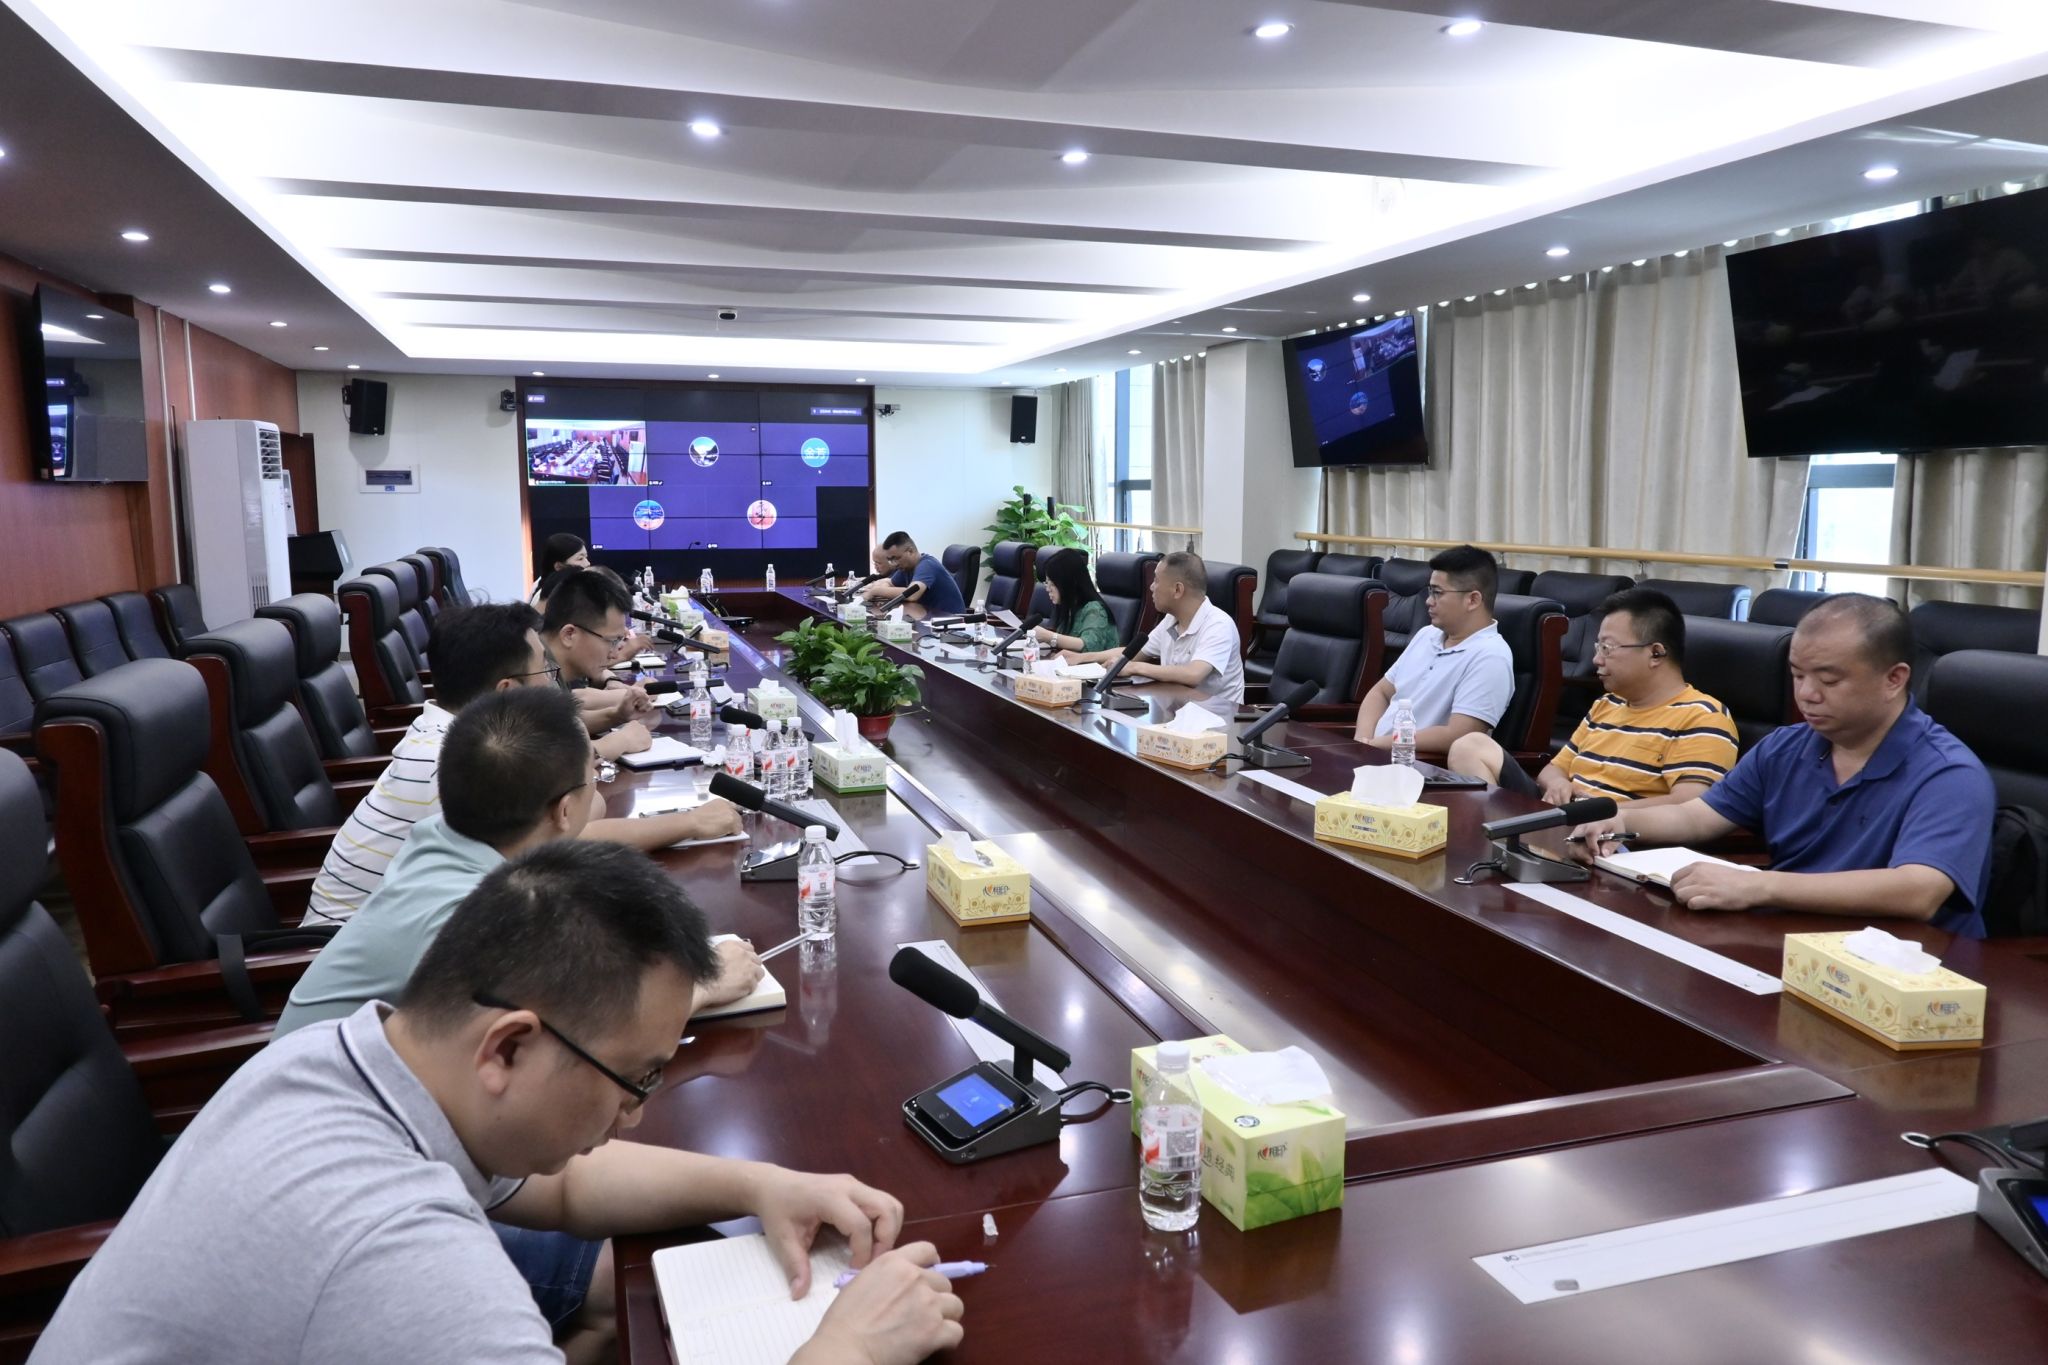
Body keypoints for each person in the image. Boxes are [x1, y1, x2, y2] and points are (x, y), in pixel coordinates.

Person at [33, 840, 963, 1365]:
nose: (638, 1110)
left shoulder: (351, 1057)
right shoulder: (404, 1256)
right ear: (509, 1045)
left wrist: (760, 1183)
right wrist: (847, 1351)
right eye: (635, 1078)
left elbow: (560, 1186)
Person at [280, 687, 754, 1038]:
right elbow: (569, 1039)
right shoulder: (477, 916)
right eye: (595, 772)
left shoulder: (443, 837)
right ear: (564, 810)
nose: (599, 781)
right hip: (337, 1128)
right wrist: (702, 986)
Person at [1570, 594, 1996, 938]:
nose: (1806, 694)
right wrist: (1621, 820)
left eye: (1829, 680)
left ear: (1894, 679)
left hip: (1907, 967)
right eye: (1798, 675)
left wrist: (1759, 886)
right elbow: (1696, 817)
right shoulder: (1786, 747)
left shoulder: (1948, 773)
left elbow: (1919, 890)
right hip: (1796, 938)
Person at [306, 604, 558, 924]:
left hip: (407, 926)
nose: (550, 683)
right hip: (348, 945)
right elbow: (522, 870)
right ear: (507, 691)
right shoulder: (450, 764)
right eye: (543, 670)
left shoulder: (446, 736)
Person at [1447, 588, 1738, 807]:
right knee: (1470, 746)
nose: (1596, 659)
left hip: (1618, 836)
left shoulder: (1703, 717)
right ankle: (1493, 843)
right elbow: (1553, 769)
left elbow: (1689, 804)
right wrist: (1558, 784)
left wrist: (1599, 812)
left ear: (1656, 653)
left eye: (1607, 648)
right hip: (1561, 816)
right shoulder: (1606, 705)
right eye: (1598, 647)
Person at [1351, 545, 1514, 753]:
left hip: (1419, 765)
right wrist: (1362, 741)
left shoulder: (1491, 657)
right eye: (1430, 591)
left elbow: (1459, 735)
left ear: (1473, 600)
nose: (1428, 601)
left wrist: (1378, 745)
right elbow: (1381, 693)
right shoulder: (1427, 635)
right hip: (1376, 754)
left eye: (1437, 593)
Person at [1062, 550, 1244, 710]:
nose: (1151, 587)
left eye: (1156, 580)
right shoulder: (1171, 619)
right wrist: (1082, 658)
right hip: (1177, 711)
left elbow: (1193, 674)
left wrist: (1135, 668)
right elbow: (1133, 653)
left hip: (1217, 720)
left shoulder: (1218, 624)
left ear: (1177, 590)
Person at [541, 568, 658, 761]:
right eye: (611, 641)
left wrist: (617, 715)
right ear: (569, 634)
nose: (615, 654)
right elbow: (550, 759)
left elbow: (565, 724)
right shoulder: (533, 673)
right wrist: (621, 741)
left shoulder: (550, 665)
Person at [1031, 548, 1119, 654]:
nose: (1048, 589)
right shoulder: (1067, 607)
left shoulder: (1095, 610)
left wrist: (1049, 637)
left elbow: (1090, 646)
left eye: (1052, 584)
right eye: (1046, 583)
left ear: (1069, 583)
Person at [863, 531, 966, 616]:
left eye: (896, 558)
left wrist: (876, 591)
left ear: (910, 551)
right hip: (929, 617)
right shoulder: (906, 567)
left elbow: (912, 594)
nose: (894, 564)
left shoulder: (927, 565)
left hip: (950, 622)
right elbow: (889, 582)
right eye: (890, 560)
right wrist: (879, 588)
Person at [530, 532, 590, 604]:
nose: (588, 563)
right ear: (558, 566)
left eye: (586, 557)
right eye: (580, 559)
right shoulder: (549, 597)